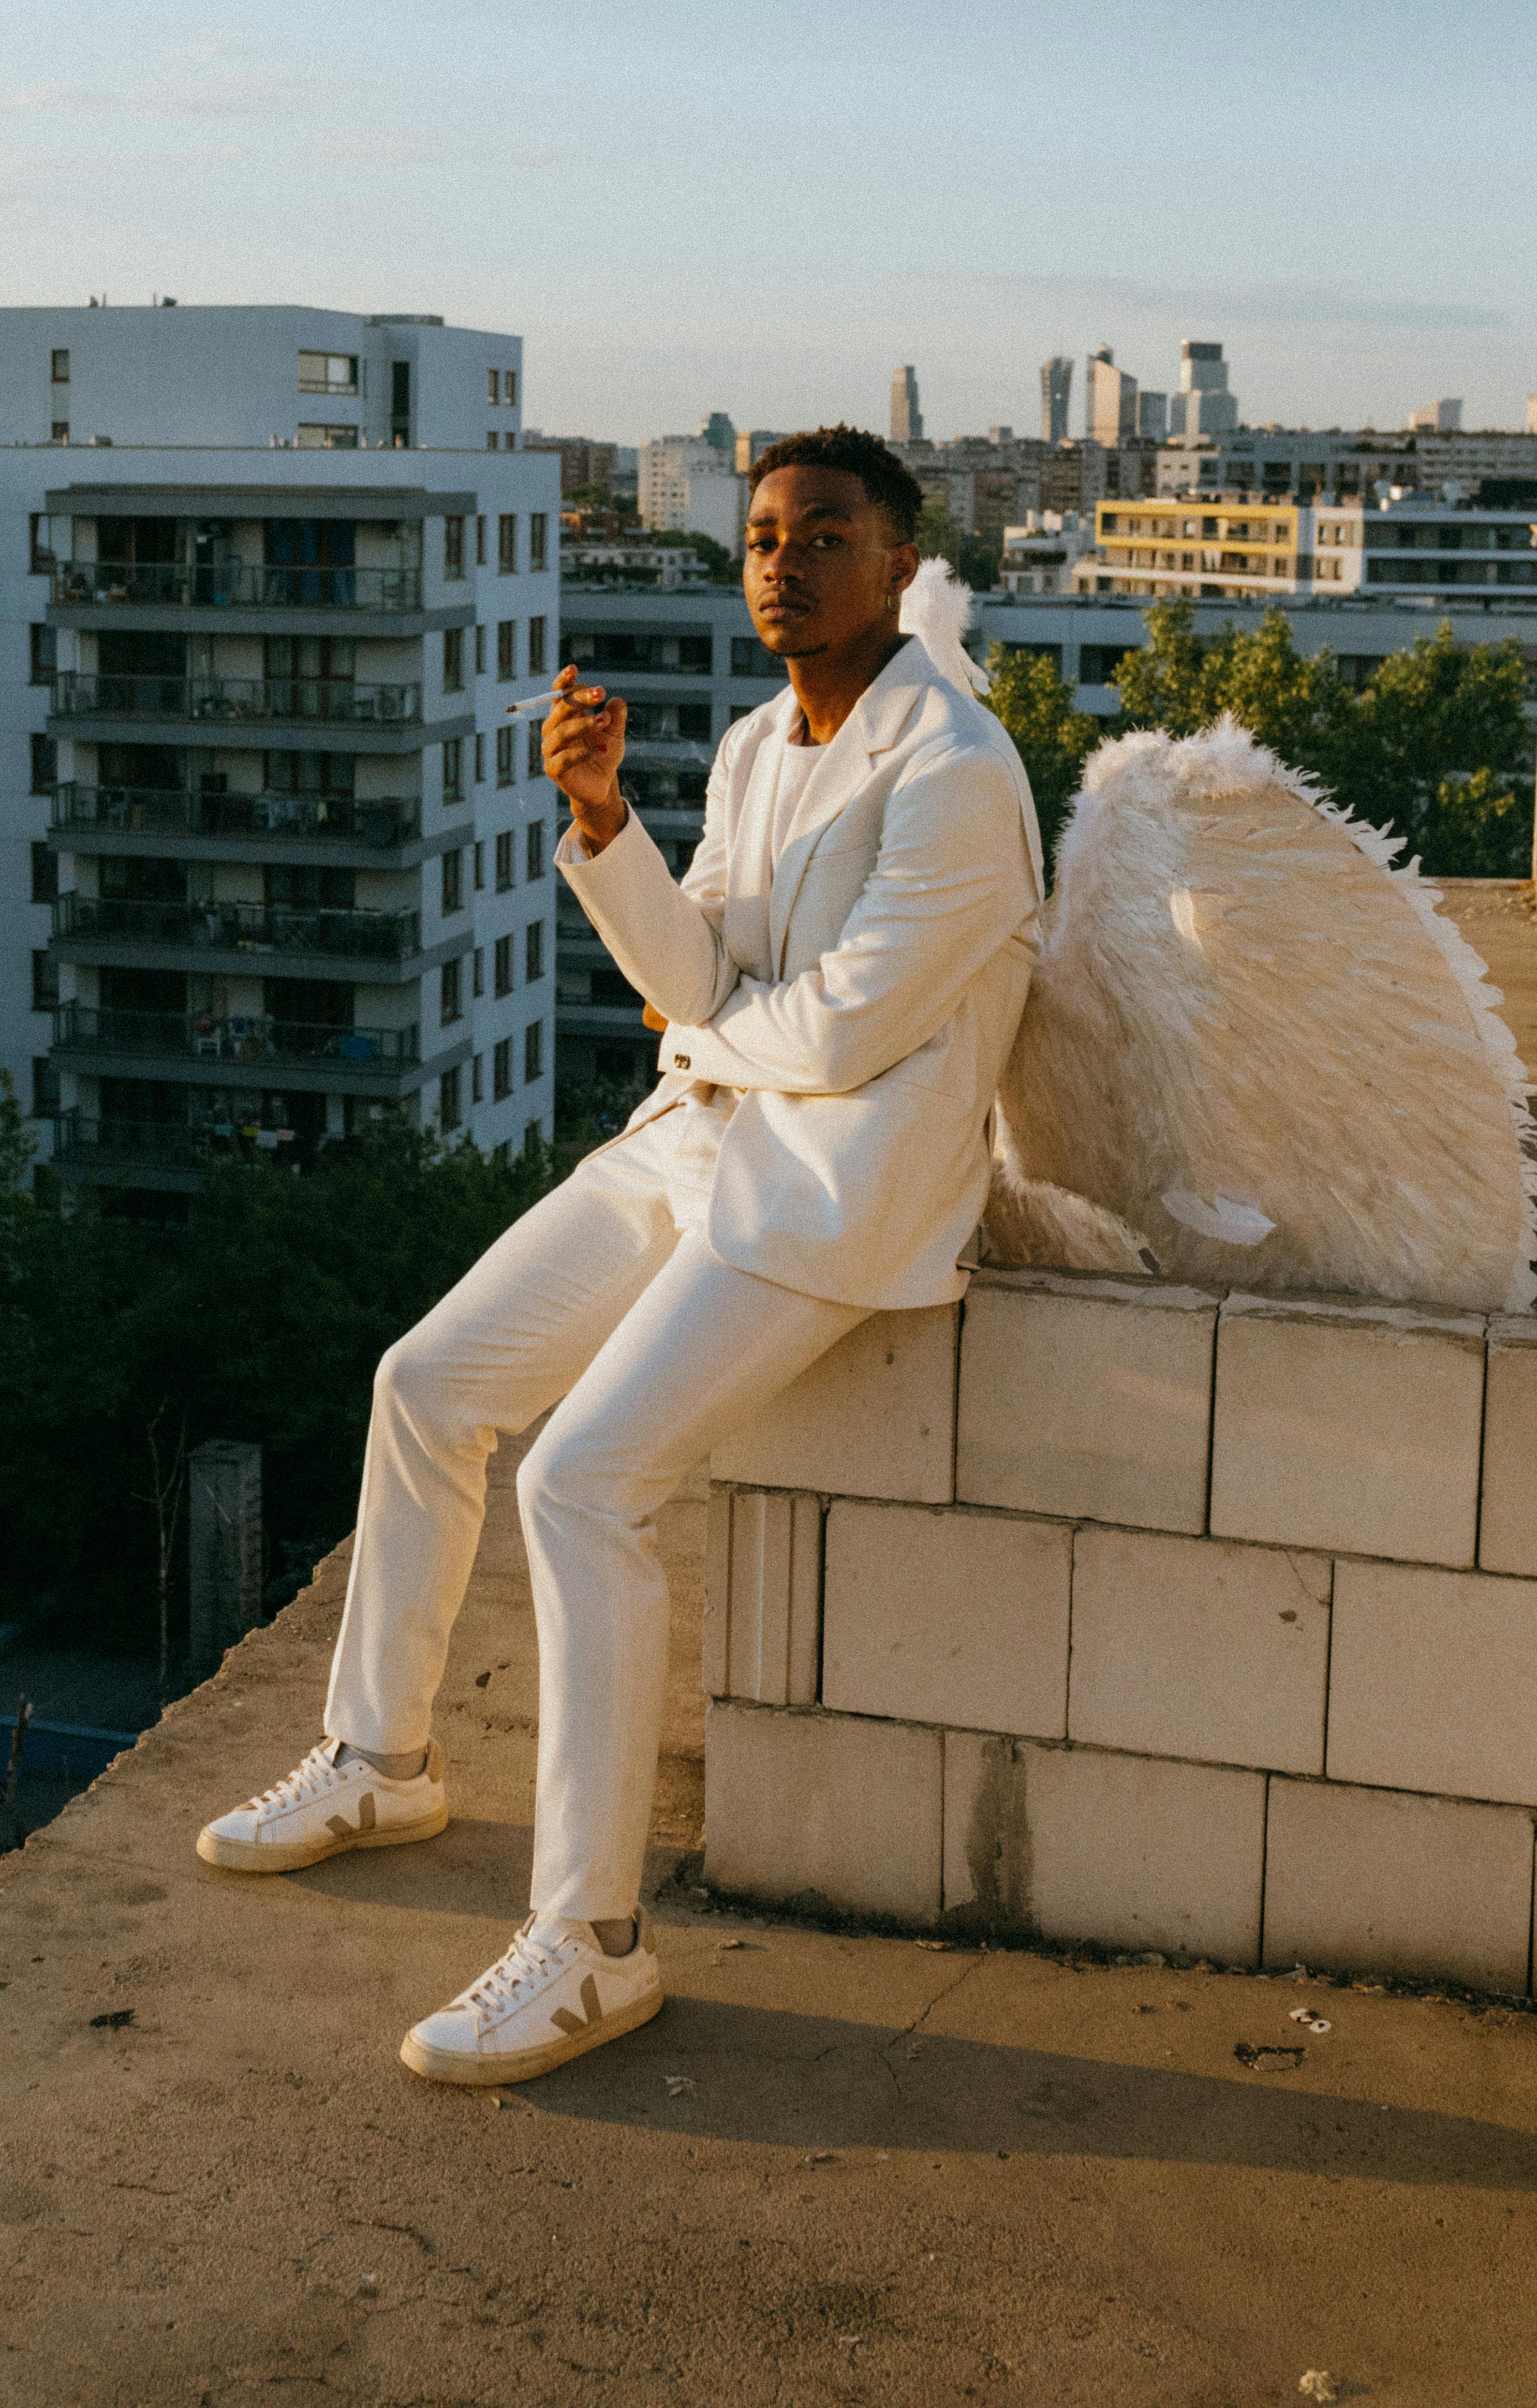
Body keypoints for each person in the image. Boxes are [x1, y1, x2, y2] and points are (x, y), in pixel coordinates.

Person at [197, 425, 1044, 2084]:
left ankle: (591, 1946)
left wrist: (713, 1026)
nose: (783, 564)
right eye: (760, 539)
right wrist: (601, 820)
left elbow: (858, 1030)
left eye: (825, 535)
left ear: (897, 563)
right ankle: (380, 1756)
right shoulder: (749, 748)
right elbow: (695, 964)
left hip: (837, 1195)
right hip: (705, 1137)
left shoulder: (957, 768)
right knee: (427, 1383)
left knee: (580, 1480)